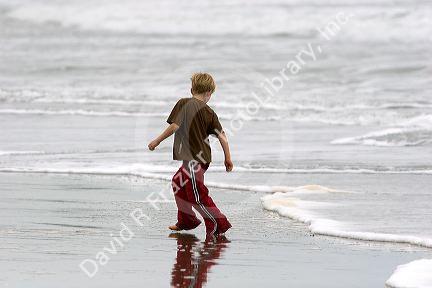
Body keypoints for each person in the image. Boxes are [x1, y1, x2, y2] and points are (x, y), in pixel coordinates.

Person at [148, 72, 232, 235]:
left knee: (197, 193)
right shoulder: (209, 112)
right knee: (178, 183)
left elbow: (174, 126)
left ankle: (217, 223)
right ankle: (187, 220)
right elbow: (222, 135)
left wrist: (157, 141)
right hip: (196, 159)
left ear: (191, 89)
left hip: (196, 159)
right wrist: (228, 157)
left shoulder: (184, 103)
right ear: (209, 93)